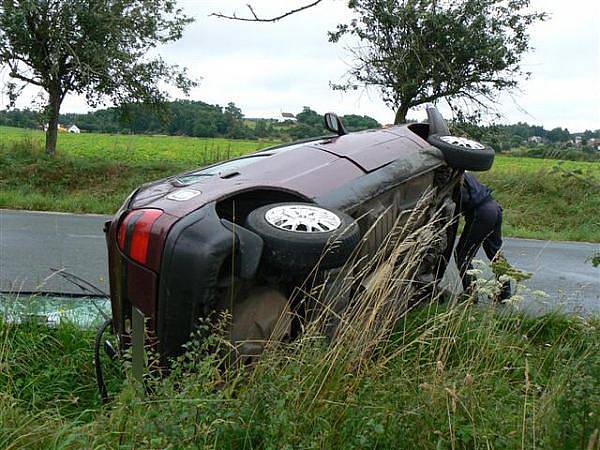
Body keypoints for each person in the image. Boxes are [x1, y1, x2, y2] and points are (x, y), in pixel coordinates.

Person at [455, 172, 512, 300]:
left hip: (481, 212)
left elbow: (461, 200)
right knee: (494, 253)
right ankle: (505, 291)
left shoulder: (454, 177)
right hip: (494, 207)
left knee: (462, 255)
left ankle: (471, 293)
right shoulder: (464, 173)